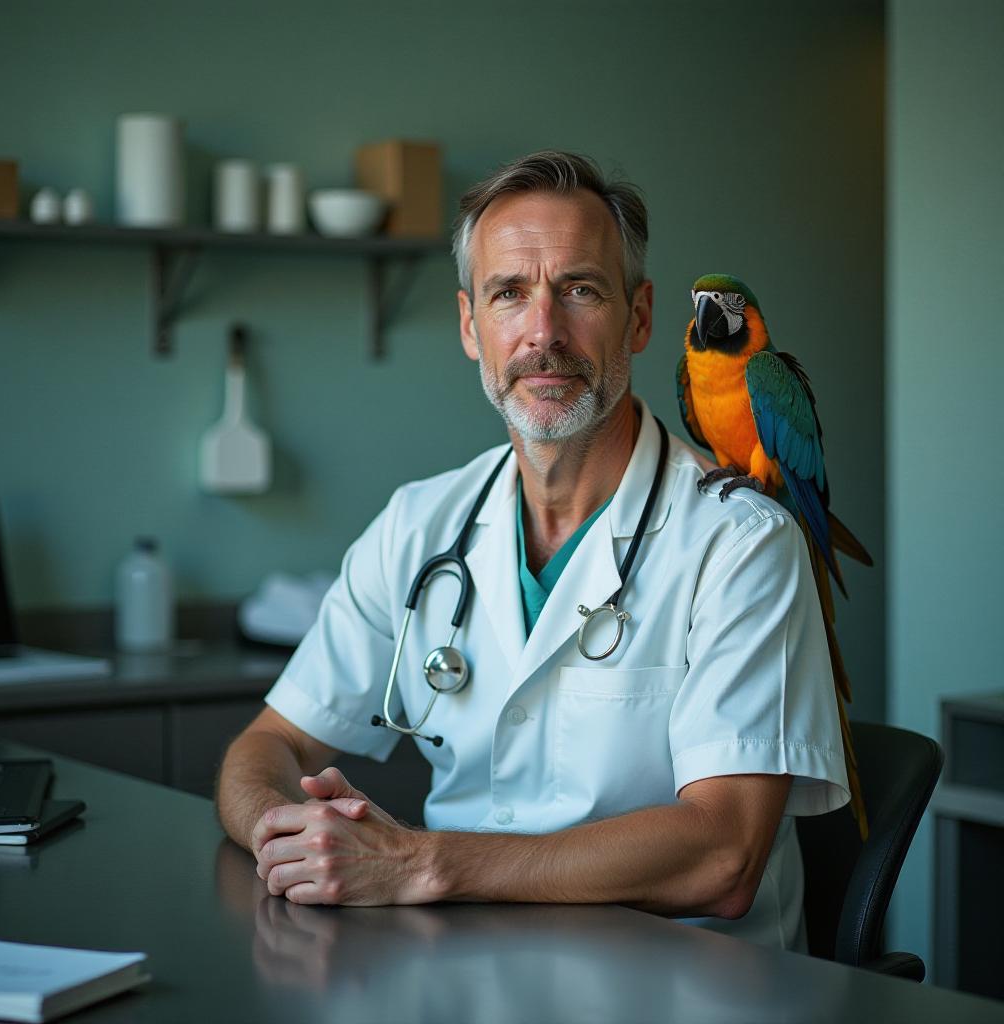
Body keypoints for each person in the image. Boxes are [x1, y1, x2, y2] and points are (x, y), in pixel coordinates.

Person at [217, 150, 849, 951]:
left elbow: (722, 859)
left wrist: (422, 864)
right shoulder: (420, 524)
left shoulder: (742, 545)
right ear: (469, 326)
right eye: (509, 293)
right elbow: (267, 744)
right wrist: (294, 838)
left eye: (580, 290)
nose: (543, 333)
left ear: (642, 317)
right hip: (458, 975)